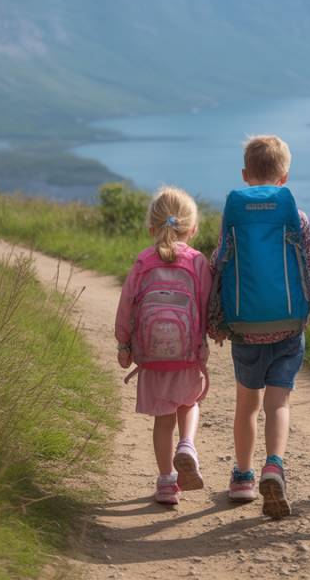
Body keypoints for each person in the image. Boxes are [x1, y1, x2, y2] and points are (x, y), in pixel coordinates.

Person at [209, 135, 310, 519]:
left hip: (246, 328)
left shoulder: (234, 214)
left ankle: (242, 477)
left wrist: (216, 317)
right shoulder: (298, 217)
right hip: (289, 327)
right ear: (285, 176)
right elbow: (309, 265)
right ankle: (275, 464)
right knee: (278, 404)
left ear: (245, 174)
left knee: (247, 405)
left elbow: (220, 262)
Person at [115, 186, 212, 506]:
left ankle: (167, 482)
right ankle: (187, 445)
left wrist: (124, 345)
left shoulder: (143, 261)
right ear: (193, 229)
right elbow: (207, 304)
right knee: (190, 402)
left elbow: (127, 305)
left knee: (163, 419)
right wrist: (209, 336)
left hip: (152, 356)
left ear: (151, 227)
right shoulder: (197, 262)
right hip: (187, 355)